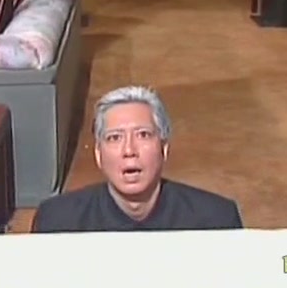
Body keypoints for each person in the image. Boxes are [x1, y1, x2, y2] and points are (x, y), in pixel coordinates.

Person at [31, 85, 244, 232]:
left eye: (143, 135)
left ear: (164, 148)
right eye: (115, 138)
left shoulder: (216, 220)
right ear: (98, 155)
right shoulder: (57, 221)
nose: (129, 150)